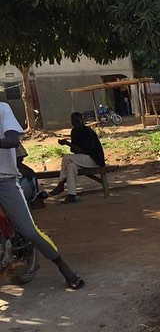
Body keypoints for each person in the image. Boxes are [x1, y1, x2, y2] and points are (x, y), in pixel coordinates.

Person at [0, 101, 84, 289]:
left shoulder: (2, 109)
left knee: (29, 231)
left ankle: (63, 267)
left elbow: (13, 139)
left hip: (4, 180)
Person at [48, 112, 106, 203]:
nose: (74, 122)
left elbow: (85, 151)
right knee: (71, 166)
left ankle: (61, 184)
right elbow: (74, 150)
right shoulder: (74, 131)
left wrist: (67, 143)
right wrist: (69, 144)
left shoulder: (88, 132)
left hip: (94, 159)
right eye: (73, 121)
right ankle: (72, 195)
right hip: (82, 159)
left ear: (81, 120)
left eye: (76, 120)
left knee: (66, 158)